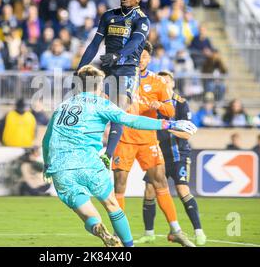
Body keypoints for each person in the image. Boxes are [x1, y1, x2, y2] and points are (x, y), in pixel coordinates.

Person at [42, 65, 197, 247]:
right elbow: (132, 120)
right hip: (90, 165)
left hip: (61, 168)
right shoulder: (101, 104)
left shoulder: (62, 106)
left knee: (88, 214)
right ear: (99, 86)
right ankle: (128, 247)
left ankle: (99, 229)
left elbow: (46, 139)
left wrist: (47, 165)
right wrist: (168, 124)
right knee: (112, 205)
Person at [113, 43, 195, 247]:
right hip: (124, 138)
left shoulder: (158, 82)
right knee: (119, 186)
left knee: (161, 183)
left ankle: (175, 230)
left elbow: (170, 112)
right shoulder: (120, 79)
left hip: (148, 139)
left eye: (145, 56)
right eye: (138, 55)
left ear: (150, 59)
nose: (141, 59)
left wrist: (160, 106)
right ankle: (120, 236)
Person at [76, 0, 151, 167]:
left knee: (118, 110)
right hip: (108, 69)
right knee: (93, 107)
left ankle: (108, 155)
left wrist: (118, 55)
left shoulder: (142, 20)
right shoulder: (109, 16)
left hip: (127, 70)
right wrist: (80, 68)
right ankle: (86, 147)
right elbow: (94, 44)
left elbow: (135, 42)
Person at [136, 70, 206, 246]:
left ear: (173, 84)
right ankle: (149, 234)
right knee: (149, 190)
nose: (164, 85)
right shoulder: (152, 102)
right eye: (161, 82)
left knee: (182, 190)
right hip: (157, 153)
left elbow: (187, 133)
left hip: (178, 154)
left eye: (167, 82)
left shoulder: (181, 104)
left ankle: (199, 231)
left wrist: (166, 127)